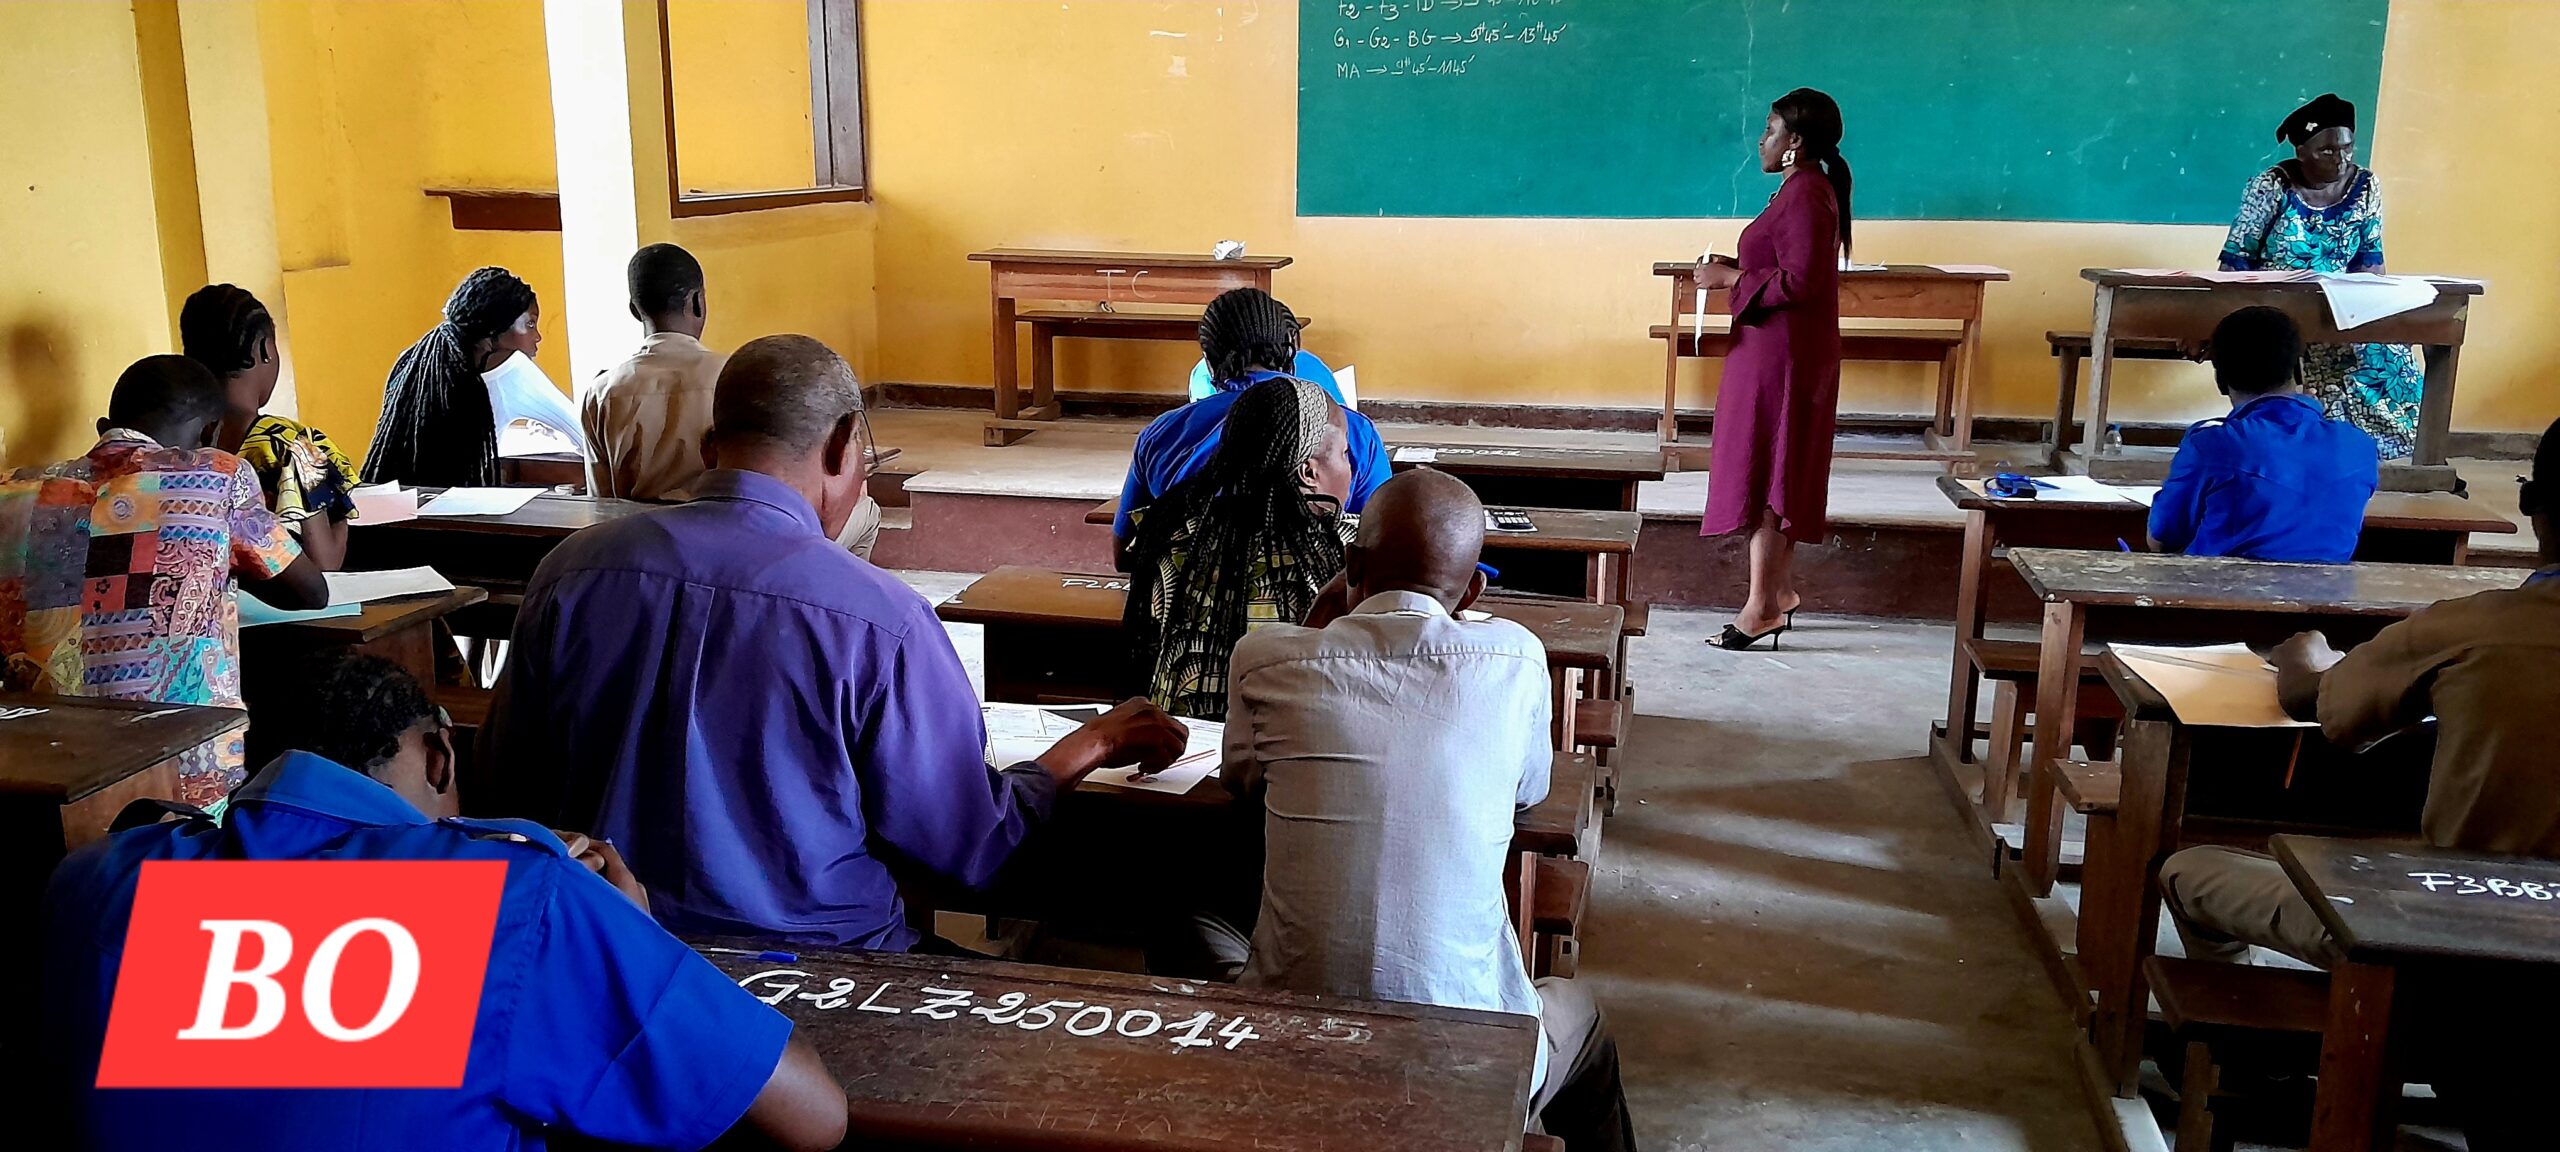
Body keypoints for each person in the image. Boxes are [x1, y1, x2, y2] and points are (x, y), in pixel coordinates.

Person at [485, 335, 1188, 949]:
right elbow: (969, 846)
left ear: (710, 447)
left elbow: (505, 789)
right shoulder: (882, 620)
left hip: (604, 954)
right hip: (817, 967)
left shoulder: (570, 573)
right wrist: (1090, 744)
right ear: (844, 444)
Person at [39, 653, 848, 1152]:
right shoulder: (514, 898)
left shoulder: (97, 881)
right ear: (437, 756)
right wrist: (632, 937)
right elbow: (813, 1116)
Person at [1201, 469, 1638, 1152]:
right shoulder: (1517, 657)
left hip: (1297, 1047)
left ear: (1349, 564)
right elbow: (1528, 789)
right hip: (1467, 1061)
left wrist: (1318, 634)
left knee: (1195, 923)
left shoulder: (1265, 660)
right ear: (1472, 591)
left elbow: (1242, 776)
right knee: (1579, 1012)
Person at [2156, 420, 2560, 1151]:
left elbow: (2325, 710)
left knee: (2190, 870)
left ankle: (2256, 1069)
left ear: (2535, 507)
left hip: (2454, 965)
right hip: (2513, 974)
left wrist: (2304, 652)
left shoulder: (2469, 628)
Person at [0, 356, 327, 807]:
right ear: (211, 432)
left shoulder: (9, 490)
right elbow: (309, 591)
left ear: (103, 427)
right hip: (183, 769)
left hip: (46, 771)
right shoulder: (219, 475)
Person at [585, 244, 880, 556]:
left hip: (643, 542)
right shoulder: (735, 377)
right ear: (697, 302)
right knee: (867, 513)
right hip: (735, 535)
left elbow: (602, 500)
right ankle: (835, 590)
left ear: (634, 309)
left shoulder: (603, 390)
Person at [1693, 87, 1848, 650]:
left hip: (1782, 360)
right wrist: (1735, 268)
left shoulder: (1808, 193)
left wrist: (1732, 281)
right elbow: (1783, 266)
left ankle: (1759, 607)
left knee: (1770, 475)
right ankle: (1777, 595)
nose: (1761, 139)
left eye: (1769, 129)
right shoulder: (1797, 190)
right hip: (1771, 352)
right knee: (1772, 470)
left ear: (1795, 142)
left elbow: (1803, 282)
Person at [1122, 375, 1356, 720]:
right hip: (1287, 745)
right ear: (1309, 471)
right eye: (1345, 453)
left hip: (1176, 739)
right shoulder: (1345, 549)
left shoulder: (1173, 529)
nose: (1351, 467)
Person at [1112, 288, 1388, 567]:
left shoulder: (1162, 432)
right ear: (1291, 351)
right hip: (1320, 605)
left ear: (1208, 363)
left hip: (1190, 607)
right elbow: (1384, 541)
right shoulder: (1352, 430)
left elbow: (1124, 555)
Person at [2219, 93, 2420, 460]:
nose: (2341, 159)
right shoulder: (2271, 186)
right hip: (2279, 312)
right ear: (2301, 152)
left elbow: (2370, 259)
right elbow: (2236, 262)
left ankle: (2373, 457)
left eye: (2347, 148)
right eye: (2328, 151)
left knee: (2390, 355)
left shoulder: (2366, 188)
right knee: (2316, 362)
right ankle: (2321, 453)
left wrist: (2382, 313)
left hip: (2346, 310)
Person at [2146, 306, 2378, 562]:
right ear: (2299, 369)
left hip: (2219, 597)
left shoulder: (2210, 443)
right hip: (2327, 599)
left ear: (2221, 379)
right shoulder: (2359, 446)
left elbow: (2161, 539)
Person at [181, 284, 362, 571]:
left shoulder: (180, 435)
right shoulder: (289, 443)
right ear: (265, 349)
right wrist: (339, 510)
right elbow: (324, 563)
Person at [361, 266, 583, 487]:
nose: (538, 336)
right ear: (496, 326)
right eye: (530, 324)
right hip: (464, 508)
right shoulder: (514, 373)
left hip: (396, 503)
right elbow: (585, 436)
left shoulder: (417, 358)